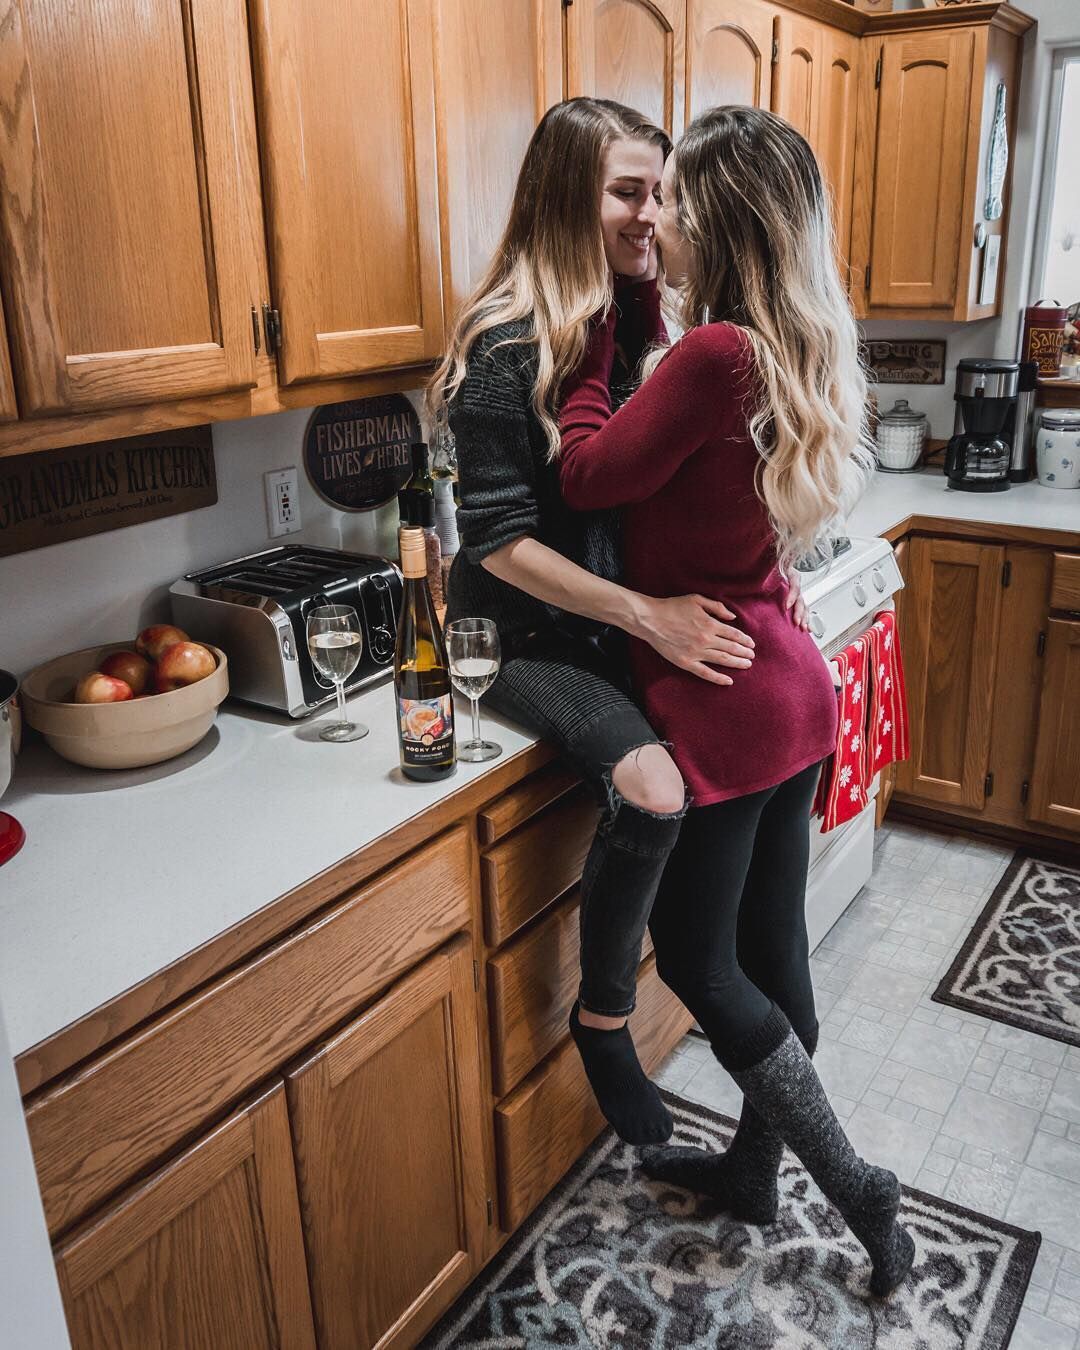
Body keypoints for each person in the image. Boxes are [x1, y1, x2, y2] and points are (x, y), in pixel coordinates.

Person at [556, 105, 914, 1297]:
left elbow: (588, 472)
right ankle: (758, 1174)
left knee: (700, 965)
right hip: (787, 690)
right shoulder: (779, 344)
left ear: (720, 218)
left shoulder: (713, 356)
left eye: (676, 198)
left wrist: (589, 356)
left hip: (725, 704)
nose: (658, 217)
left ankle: (857, 1187)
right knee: (773, 951)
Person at [429, 98, 795, 1147]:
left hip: (611, 628)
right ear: (565, 201)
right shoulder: (504, 339)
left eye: (661, 194)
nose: (653, 215)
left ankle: (755, 1100)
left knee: (740, 902)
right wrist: (649, 615)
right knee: (653, 787)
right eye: (628, 192)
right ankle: (603, 1018)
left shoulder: (640, 320)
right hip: (520, 637)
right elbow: (499, 544)